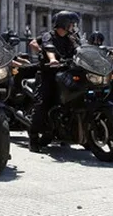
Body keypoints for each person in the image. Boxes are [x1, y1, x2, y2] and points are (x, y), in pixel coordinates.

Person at [28, 10, 80, 153]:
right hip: (48, 74)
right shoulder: (48, 36)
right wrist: (52, 59)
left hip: (66, 73)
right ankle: (33, 138)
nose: (73, 27)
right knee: (42, 103)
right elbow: (48, 47)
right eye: (71, 24)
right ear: (63, 24)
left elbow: (79, 50)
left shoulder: (71, 38)